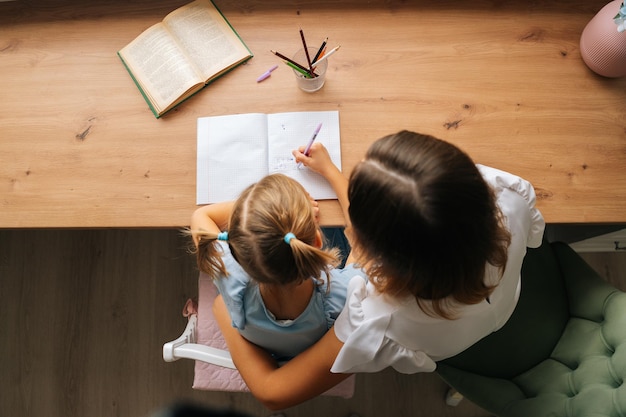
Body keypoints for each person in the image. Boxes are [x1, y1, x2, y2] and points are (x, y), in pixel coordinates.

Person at [213, 131, 546, 410]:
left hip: (450, 342)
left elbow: (273, 392)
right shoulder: (507, 193)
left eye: (356, 229)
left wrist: (223, 310)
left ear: (373, 256)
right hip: (505, 302)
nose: (350, 230)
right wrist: (330, 172)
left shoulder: (372, 321)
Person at [188, 173, 362, 362]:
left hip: (270, 343)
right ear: (318, 241)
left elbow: (201, 215)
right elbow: (362, 236)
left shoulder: (228, 273)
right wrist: (329, 170)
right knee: (337, 228)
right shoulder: (342, 292)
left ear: (238, 250)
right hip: (309, 346)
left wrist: (261, 214)